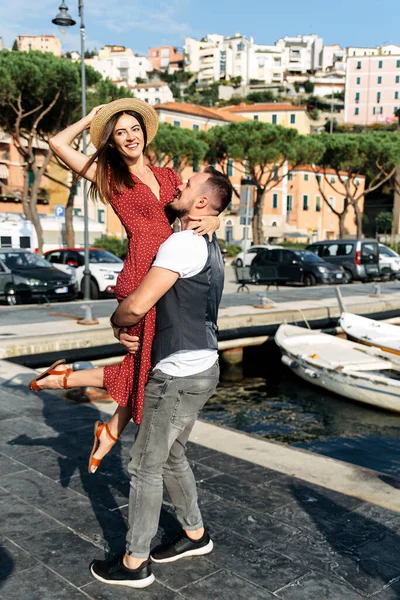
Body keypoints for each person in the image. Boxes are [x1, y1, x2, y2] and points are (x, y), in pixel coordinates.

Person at [28, 99, 220, 473]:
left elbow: (203, 201)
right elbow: (57, 143)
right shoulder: (110, 176)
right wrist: (92, 118)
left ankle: (97, 417)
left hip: (167, 275)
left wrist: (215, 221)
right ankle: (80, 397)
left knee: (146, 362)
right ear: (113, 143)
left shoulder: (168, 176)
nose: (130, 137)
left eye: (134, 129)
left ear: (145, 133)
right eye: (120, 133)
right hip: (139, 274)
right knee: (146, 363)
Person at [89, 167, 232, 589]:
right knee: (171, 455)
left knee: (143, 466)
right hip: (206, 365)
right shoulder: (209, 240)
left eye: (188, 186)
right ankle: (194, 534)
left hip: (175, 376)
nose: (179, 187)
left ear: (202, 204)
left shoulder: (182, 243)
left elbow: (136, 306)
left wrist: (117, 321)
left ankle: (134, 563)